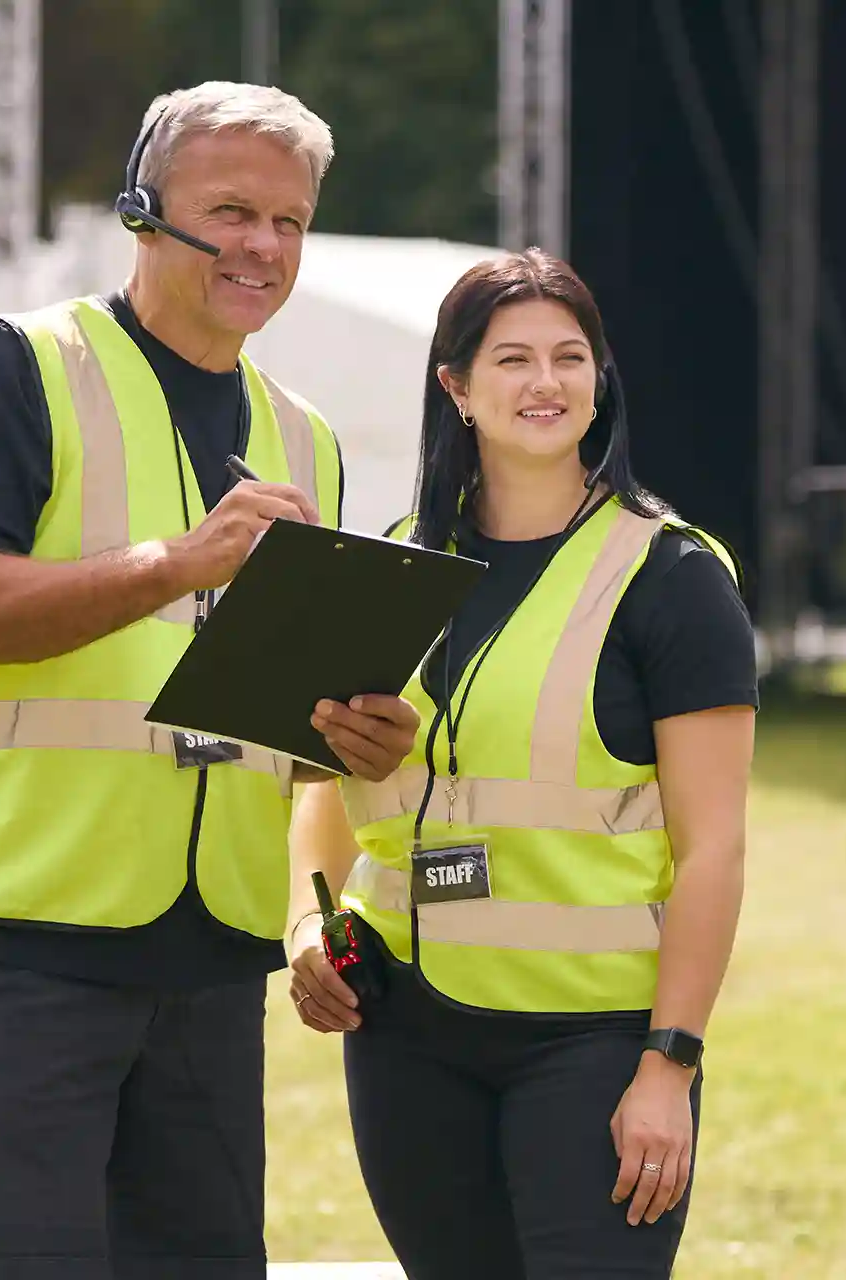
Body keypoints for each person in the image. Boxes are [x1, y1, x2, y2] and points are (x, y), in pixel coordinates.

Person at [0, 81, 420, 1279]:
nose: (263, 246)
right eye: (231, 211)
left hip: (213, 947)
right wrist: (179, 560)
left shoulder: (306, 437)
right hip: (29, 931)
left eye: (289, 222)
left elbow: (278, 722)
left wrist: (348, 737)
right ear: (141, 211)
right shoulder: (16, 366)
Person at [283, 249, 758, 1278]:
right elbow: (323, 779)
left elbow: (715, 848)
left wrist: (669, 1065)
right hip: (406, 1036)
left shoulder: (673, 577)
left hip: (591, 1042)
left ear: (600, 380)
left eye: (569, 356)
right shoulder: (391, 563)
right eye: (512, 359)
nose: (546, 382)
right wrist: (308, 919)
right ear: (455, 387)